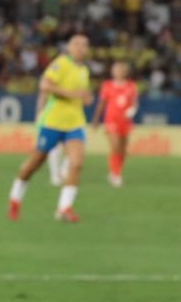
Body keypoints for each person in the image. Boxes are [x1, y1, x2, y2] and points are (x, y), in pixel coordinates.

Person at [9, 33, 91, 223]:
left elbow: (80, 94)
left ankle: (64, 207)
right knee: (34, 164)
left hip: (75, 123)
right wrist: (72, 94)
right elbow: (45, 85)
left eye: (84, 45)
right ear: (69, 47)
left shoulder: (84, 70)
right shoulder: (61, 63)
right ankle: (15, 199)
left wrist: (86, 98)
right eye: (77, 44)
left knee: (77, 163)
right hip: (53, 122)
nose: (80, 48)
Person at [95, 60, 138, 187]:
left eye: (120, 69)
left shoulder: (131, 86)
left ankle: (117, 171)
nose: (117, 72)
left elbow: (135, 102)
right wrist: (96, 118)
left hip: (125, 121)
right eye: (115, 69)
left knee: (123, 149)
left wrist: (132, 110)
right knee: (115, 146)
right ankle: (115, 174)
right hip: (111, 120)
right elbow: (102, 103)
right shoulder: (107, 85)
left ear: (125, 72)